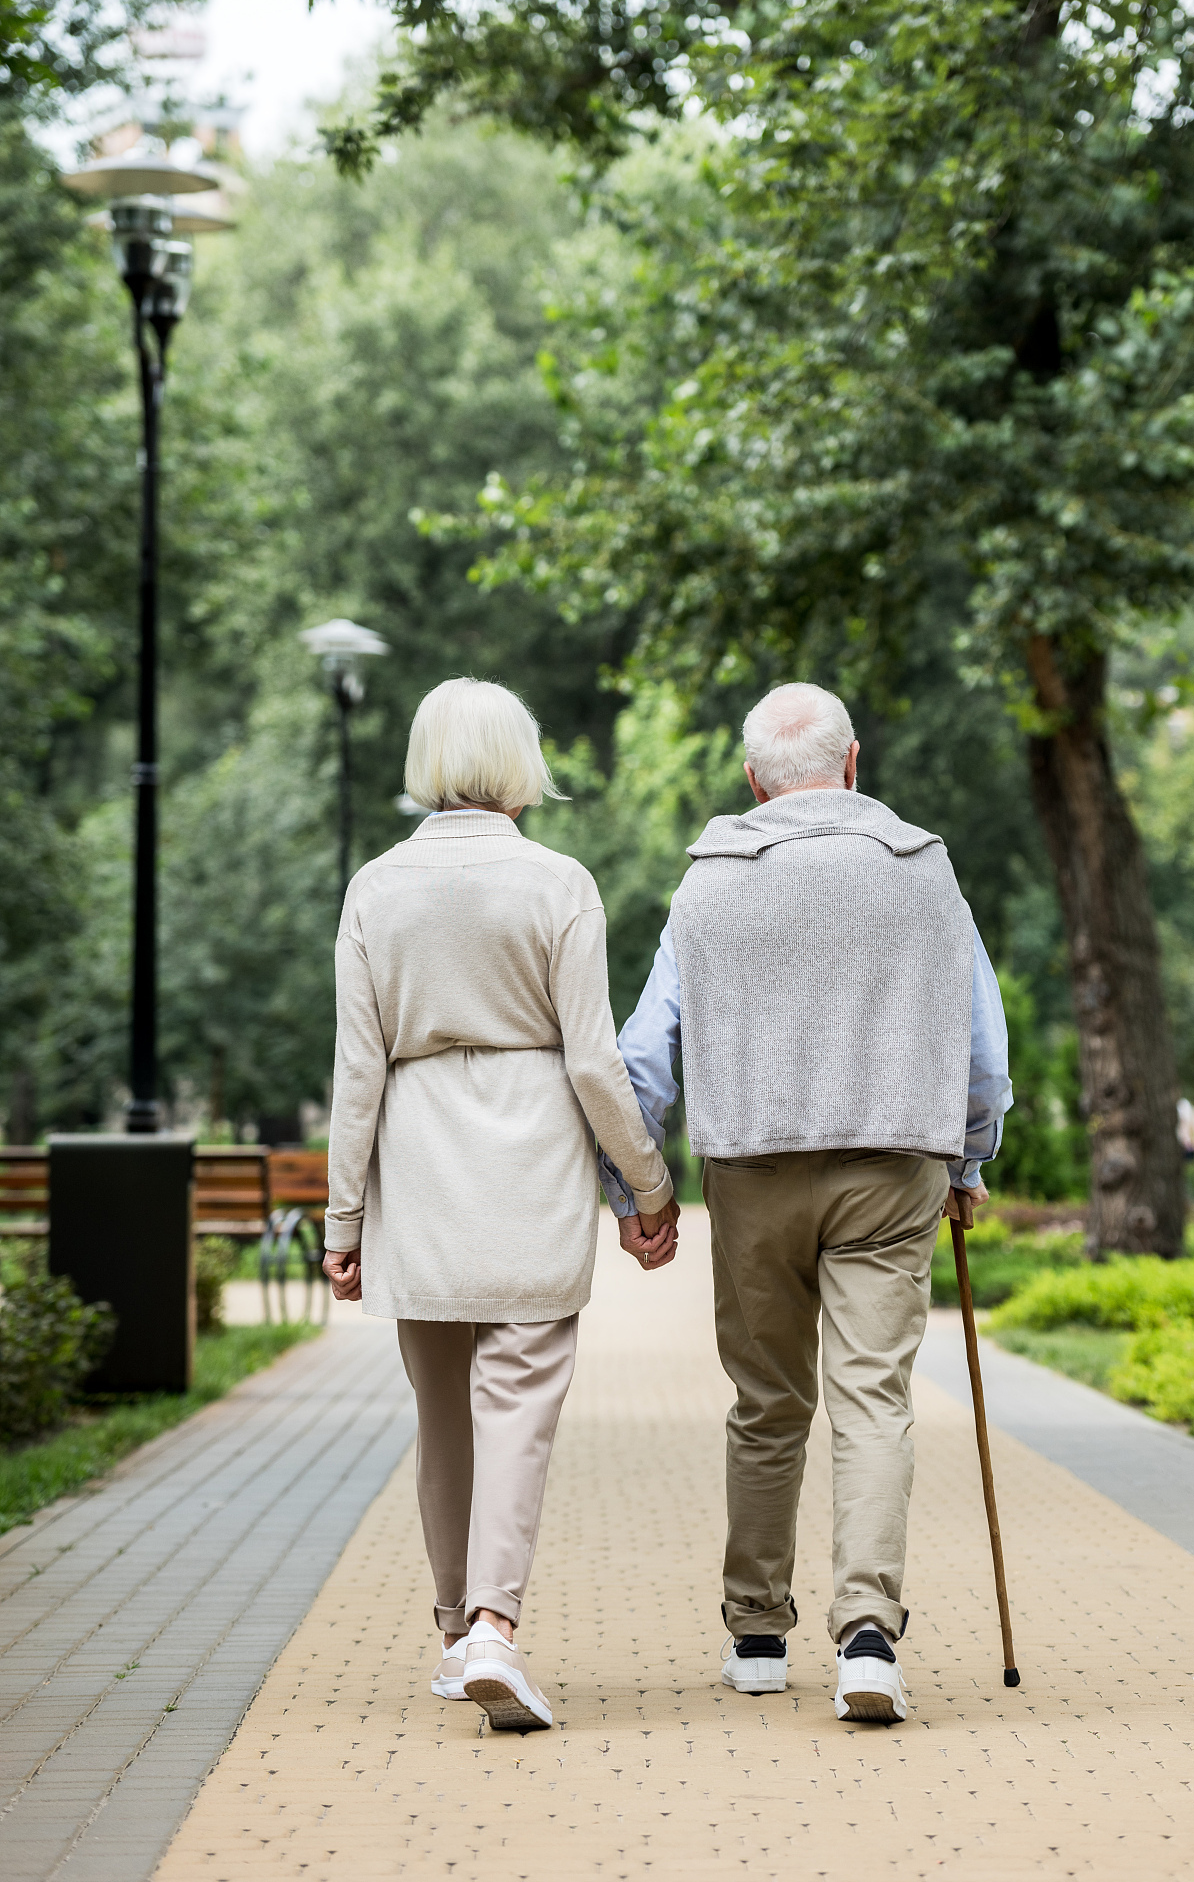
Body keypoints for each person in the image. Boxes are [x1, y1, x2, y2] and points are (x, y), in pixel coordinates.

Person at [600, 682, 1012, 1726]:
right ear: (853, 760)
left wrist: (635, 1187)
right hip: (893, 1162)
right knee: (873, 1397)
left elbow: (642, 1053)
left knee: (767, 1398)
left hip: (751, 1167)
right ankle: (868, 1634)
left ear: (753, 781)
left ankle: (754, 1631)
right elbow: (979, 1049)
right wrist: (968, 1157)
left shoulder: (706, 885)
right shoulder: (925, 872)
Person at [321, 678, 676, 1734]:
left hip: (418, 1161)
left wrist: (343, 1223)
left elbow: (353, 1072)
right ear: (520, 760)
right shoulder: (558, 881)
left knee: (441, 1416)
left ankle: (451, 1633)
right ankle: (493, 1623)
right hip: (529, 1163)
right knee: (517, 1402)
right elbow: (598, 1064)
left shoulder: (374, 888)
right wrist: (649, 1186)